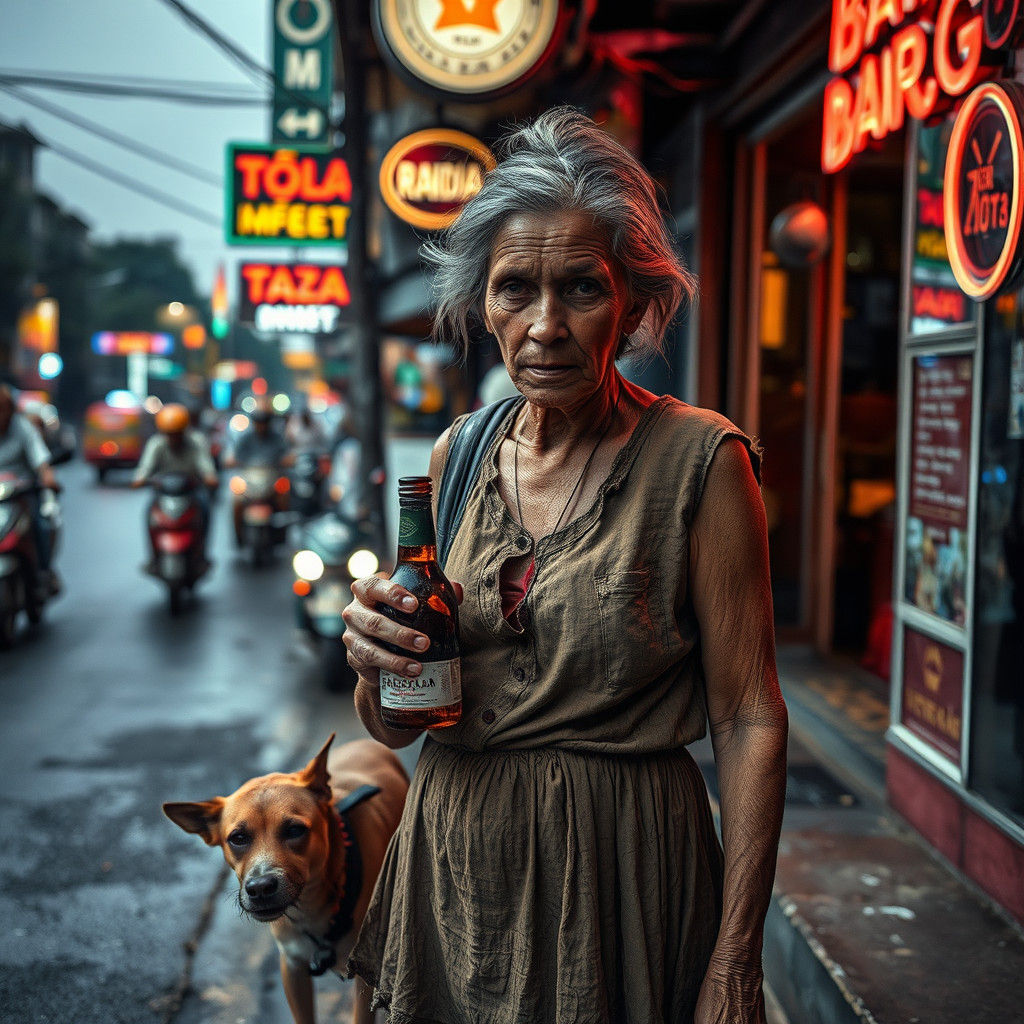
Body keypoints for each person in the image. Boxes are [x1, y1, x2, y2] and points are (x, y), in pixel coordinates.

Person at [341, 108, 789, 1024]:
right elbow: (397, 725)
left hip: (625, 876)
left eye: (582, 287)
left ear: (633, 302)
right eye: (515, 289)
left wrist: (737, 958)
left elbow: (749, 716)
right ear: (483, 306)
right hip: (458, 873)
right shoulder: (457, 456)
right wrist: (374, 665)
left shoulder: (701, 462)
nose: (545, 326)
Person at [133, 403, 218, 562]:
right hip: (163, 493)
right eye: (169, 434)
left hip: (191, 491)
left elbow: (206, 466)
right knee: (149, 513)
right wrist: (140, 479)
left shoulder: (196, 442)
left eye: (177, 433)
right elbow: (145, 468)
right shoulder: (156, 444)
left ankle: (201, 553)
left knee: (205, 509)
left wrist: (209, 477)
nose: (173, 438)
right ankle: (154, 556)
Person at [0, 384, 61, 593]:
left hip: (21, 494)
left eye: (3, 409)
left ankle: (44, 573)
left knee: (39, 524)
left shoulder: (23, 428)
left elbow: (40, 459)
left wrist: (48, 478)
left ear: (11, 410)